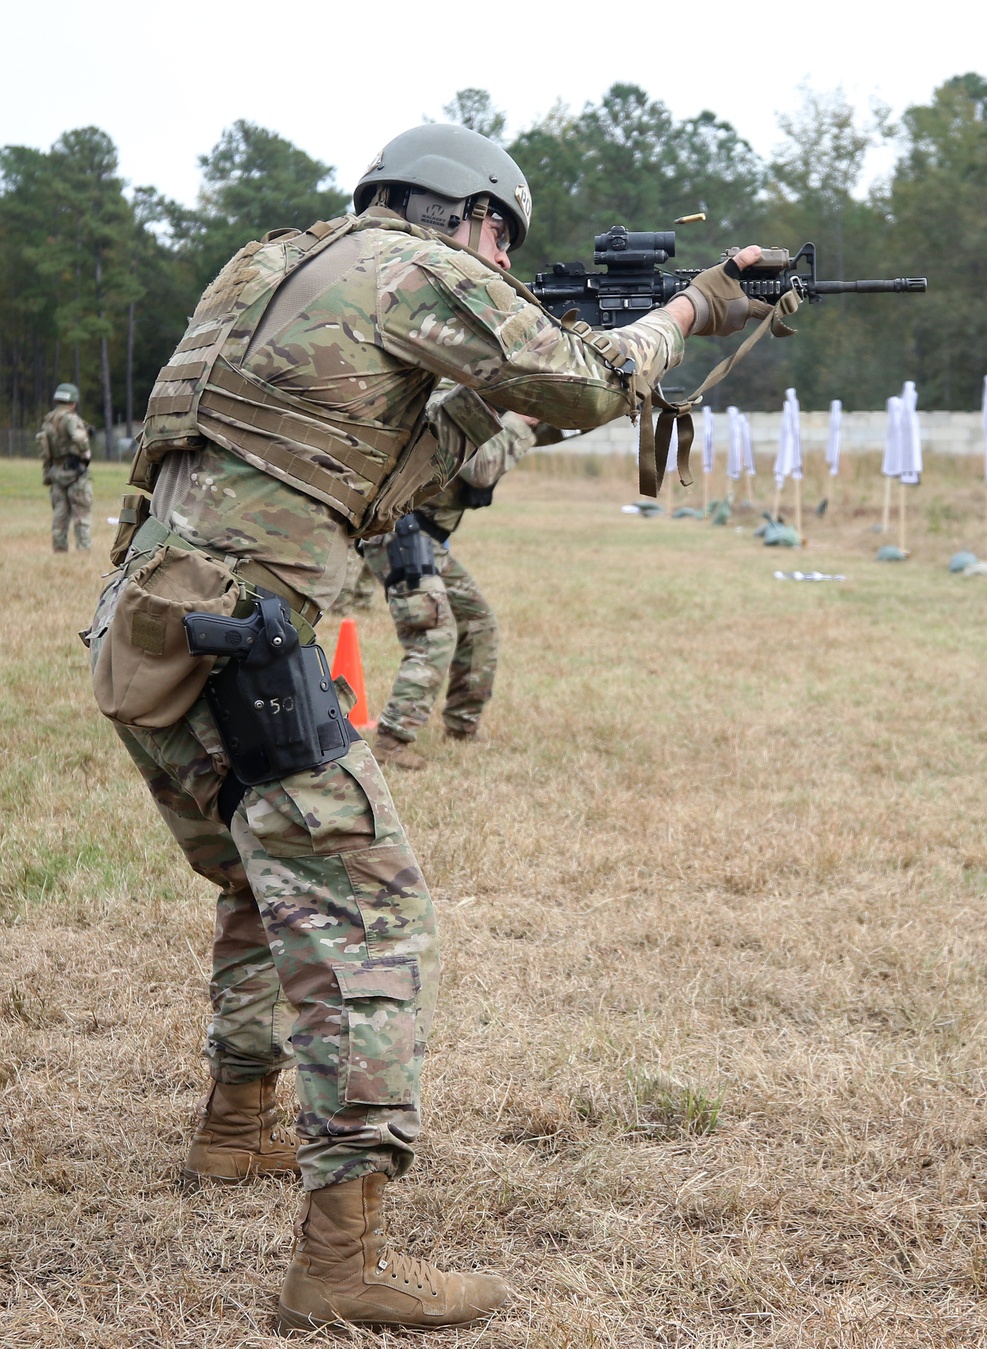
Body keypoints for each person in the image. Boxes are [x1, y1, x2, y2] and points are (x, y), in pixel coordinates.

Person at [82, 121, 770, 1337]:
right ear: (478, 220)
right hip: (251, 648)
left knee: (260, 879)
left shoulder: (272, 262)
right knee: (371, 922)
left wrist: (504, 401)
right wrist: (692, 311)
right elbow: (586, 376)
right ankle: (339, 1258)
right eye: (502, 245)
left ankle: (234, 1126)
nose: (501, 265)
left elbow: (407, 450)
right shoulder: (421, 266)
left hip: (149, 638)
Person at [366, 406, 538, 770]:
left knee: (479, 624)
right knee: (432, 633)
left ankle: (462, 728)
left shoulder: (477, 402)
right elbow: (480, 469)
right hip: (401, 534)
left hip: (429, 540)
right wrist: (518, 423)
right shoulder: (447, 402)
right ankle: (391, 742)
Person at [37, 383, 93, 552]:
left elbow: (45, 449)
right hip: (76, 472)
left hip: (56, 471)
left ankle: (60, 551)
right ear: (73, 402)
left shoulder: (49, 420)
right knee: (81, 516)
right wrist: (86, 454)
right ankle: (84, 551)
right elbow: (79, 438)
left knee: (59, 517)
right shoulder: (71, 419)